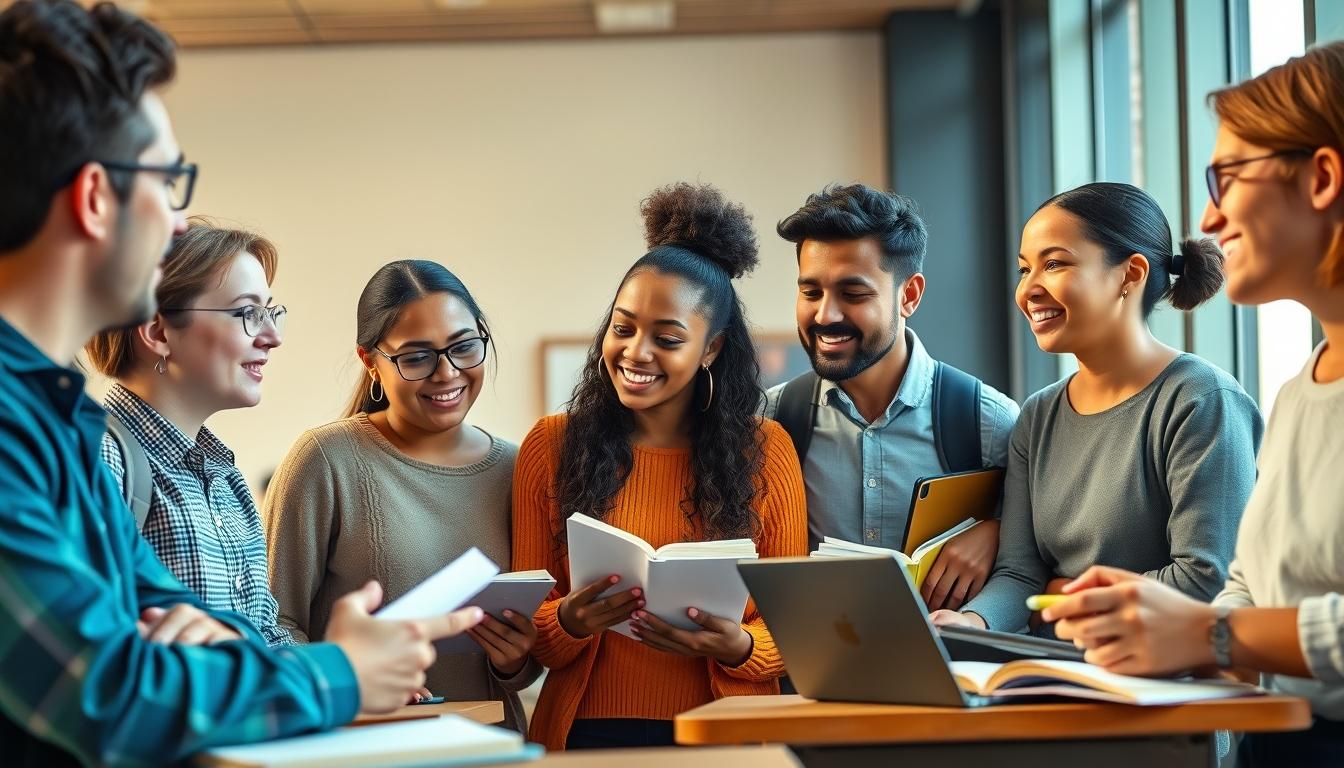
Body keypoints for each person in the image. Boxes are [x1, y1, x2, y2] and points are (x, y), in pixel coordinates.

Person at [0, 3, 480, 763]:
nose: (182, 223)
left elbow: (193, 624)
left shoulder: (60, 421)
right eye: (167, 180)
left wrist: (217, 655)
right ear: (95, 198)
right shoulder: (21, 428)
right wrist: (342, 672)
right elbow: (109, 693)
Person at [1046, 41, 1344, 766]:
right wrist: (1164, 623)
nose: (1208, 220)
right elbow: (1248, 583)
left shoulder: (1203, 397)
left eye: (1227, 177)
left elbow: (1231, 612)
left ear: (1323, 176)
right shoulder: (1301, 389)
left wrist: (1207, 632)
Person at [512, 182, 808, 751]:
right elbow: (535, 638)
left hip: (729, 737)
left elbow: (794, 626)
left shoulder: (765, 450)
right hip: (587, 735)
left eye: (667, 338)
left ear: (712, 349)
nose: (636, 353)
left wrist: (739, 648)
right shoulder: (550, 446)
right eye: (623, 328)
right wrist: (570, 620)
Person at [932, 181, 1263, 637]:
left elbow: (1207, 581)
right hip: (1056, 675)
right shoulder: (1038, 415)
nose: (1028, 289)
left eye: (1054, 264)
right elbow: (1019, 575)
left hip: (1166, 687)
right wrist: (969, 621)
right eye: (1024, 269)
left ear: (1130, 274)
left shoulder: (1200, 400)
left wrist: (1064, 596)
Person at [265, 259, 540, 732]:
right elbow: (269, 624)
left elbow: (526, 664)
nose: (447, 373)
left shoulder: (521, 469)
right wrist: (355, 677)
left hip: (489, 744)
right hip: (364, 744)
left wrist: (517, 659)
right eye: (416, 357)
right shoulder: (325, 459)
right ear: (369, 361)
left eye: (464, 347)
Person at [764, 184, 1019, 611]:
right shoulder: (771, 420)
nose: (825, 315)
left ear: (910, 295)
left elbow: (1032, 564)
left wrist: (1000, 529)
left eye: (853, 294)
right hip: (807, 675)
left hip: (951, 670)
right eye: (811, 292)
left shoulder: (989, 423)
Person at [85, 217, 294, 647]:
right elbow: (94, 646)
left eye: (271, 313)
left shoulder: (227, 482)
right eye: (248, 313)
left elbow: (265, 642)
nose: (273, 337)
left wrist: (356, 667)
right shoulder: (98, 459)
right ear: (158, 331)